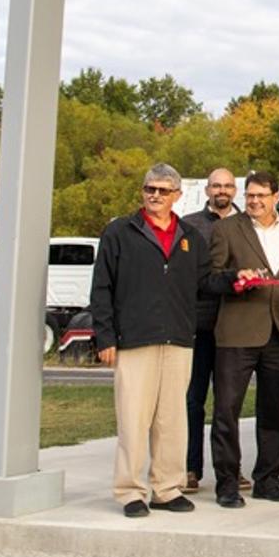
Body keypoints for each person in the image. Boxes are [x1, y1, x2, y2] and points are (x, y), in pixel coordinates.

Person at [90, 164, 206, 518]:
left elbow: (206, 283)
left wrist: (238, 279)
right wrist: (105, 336)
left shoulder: (191, 237)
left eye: (162, 190)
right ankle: (130, 492)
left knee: (172, 420)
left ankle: (167, 489)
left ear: (177, 196)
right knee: (133, 419)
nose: (154, 196)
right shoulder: (120, 232)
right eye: (149, 189)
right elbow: (101, 288)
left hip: (178, 341)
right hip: (134, 340)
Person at [205, 170, 279, 508]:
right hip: (237, 334)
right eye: (250, 195)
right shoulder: (225, 230)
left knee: (275, 412)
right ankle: (228, 484)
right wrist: (235, 278)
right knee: (226, 411)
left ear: (277, 198)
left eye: (262, 195)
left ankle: (267, 479)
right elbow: (209, 279)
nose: (254, 201)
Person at [180, 166, 237, 494]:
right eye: (217, 186)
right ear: (207, 190)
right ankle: (190, 467)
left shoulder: (245, 224)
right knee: (193, 400)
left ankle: (230, 470)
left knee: (227, 403)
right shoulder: (190, 225)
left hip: (234, 325)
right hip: (199, 325)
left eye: (228, 186)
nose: (222, 191)